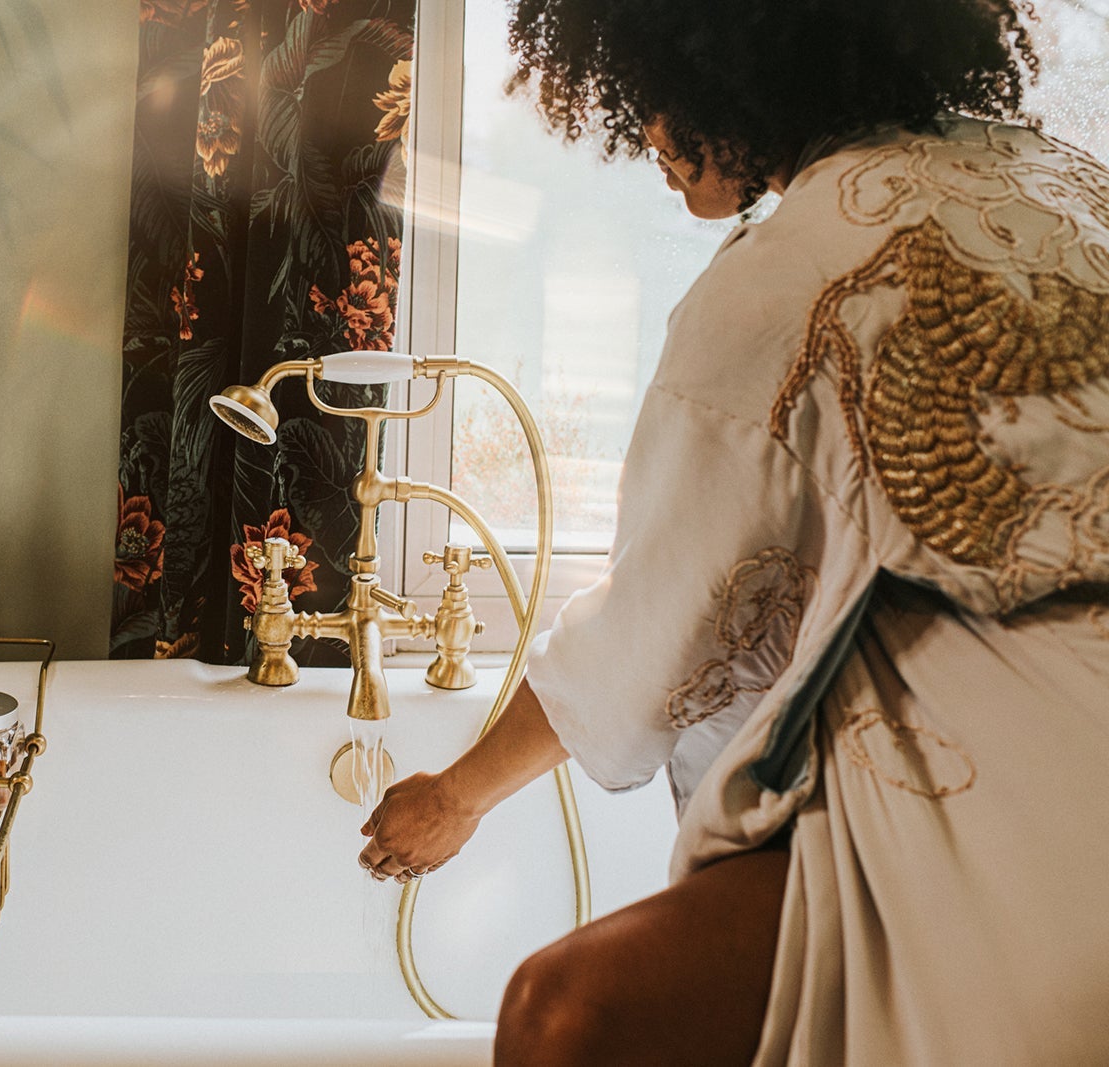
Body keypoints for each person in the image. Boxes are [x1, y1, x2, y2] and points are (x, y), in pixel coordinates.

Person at [357, 1, 1109, 1063]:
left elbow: (650, 638)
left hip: (1030, 813)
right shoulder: (1068, 189)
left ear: (725, 63)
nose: (646, 138)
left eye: (649, 99)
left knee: (560, 1015)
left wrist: (454, 795)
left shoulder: (778, 284)